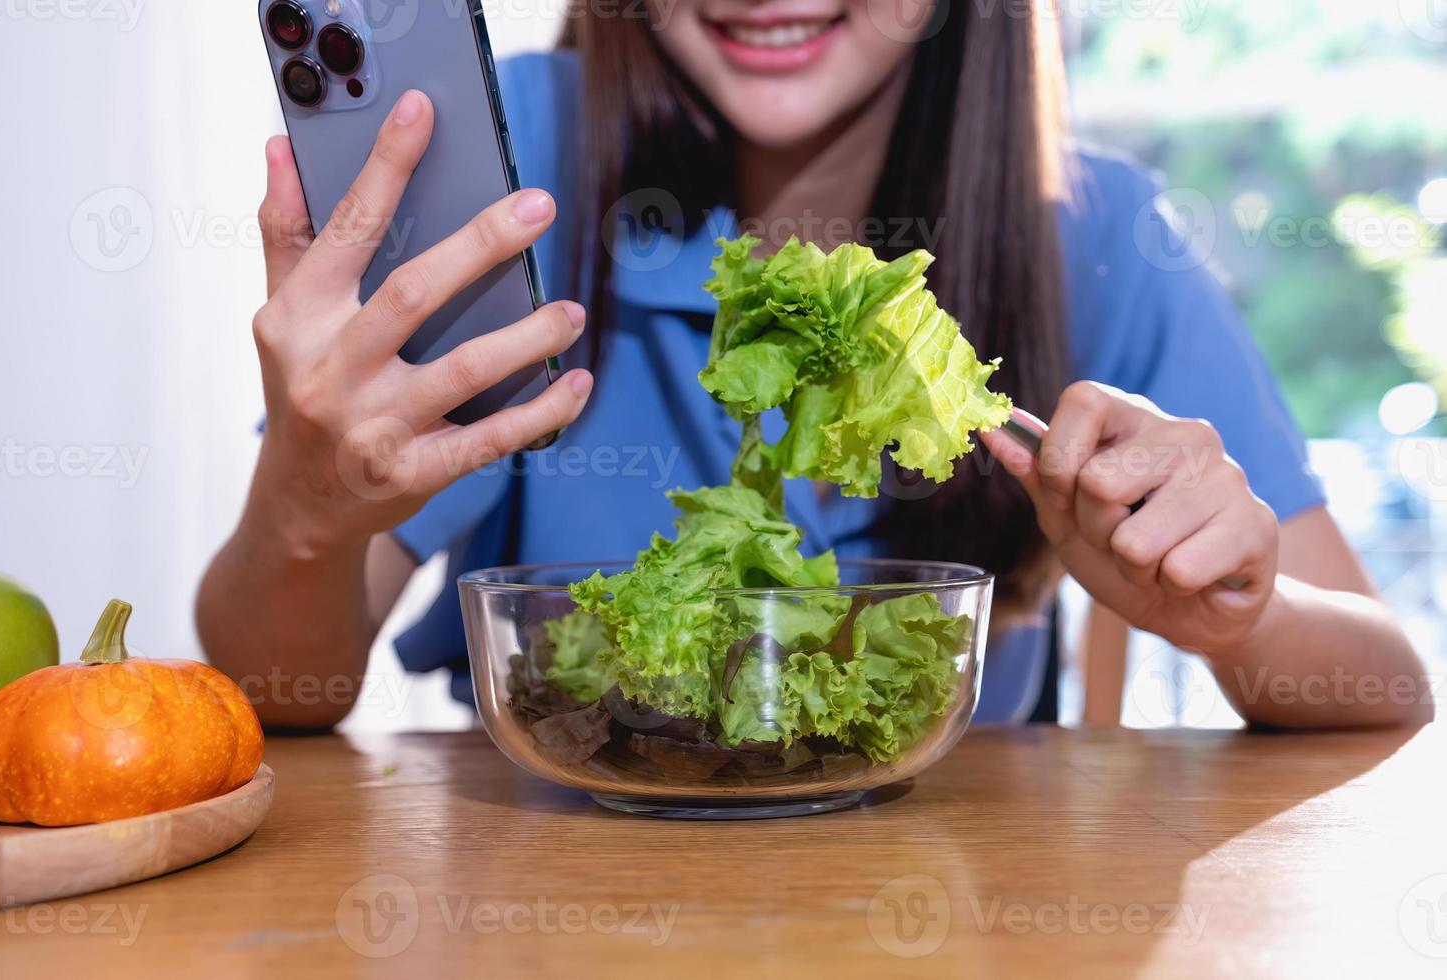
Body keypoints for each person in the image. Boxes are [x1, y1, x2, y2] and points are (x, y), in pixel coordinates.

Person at [198, 1, 1432, 729]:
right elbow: (280, 687)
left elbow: (1387, 681)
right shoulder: (516, 173)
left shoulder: (1097, 234)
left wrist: (1235, 612)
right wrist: (304, 513)